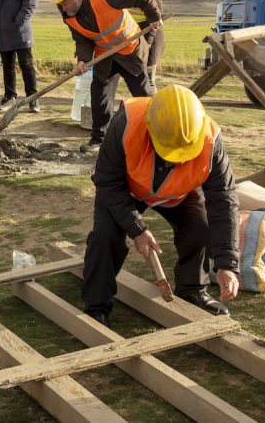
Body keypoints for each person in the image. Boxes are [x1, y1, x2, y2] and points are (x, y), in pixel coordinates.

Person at [82, 85, 240, 326]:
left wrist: (227, 264)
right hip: (126, 190)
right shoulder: (125, 123)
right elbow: (107, 184)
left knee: (200, 228)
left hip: (178, 193)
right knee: (105, 236)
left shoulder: (211, 140)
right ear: (150, 128)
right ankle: (96, 306)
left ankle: (192, 290)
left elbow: (223, 199)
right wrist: (137, 229)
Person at [54, 0, 162, 152]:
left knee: (143, 94)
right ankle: (99, 139)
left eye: (65, 2)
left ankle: (158, 136)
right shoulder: (68, 16)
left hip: (130, 50)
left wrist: (154, 16)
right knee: (99, 93)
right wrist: (83, 60)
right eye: (60, 3)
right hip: (105, 57)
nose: (62, 6)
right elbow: (83, 40)